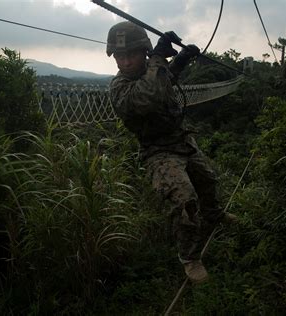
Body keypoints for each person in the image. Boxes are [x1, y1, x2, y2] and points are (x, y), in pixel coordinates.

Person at [107, 21, 236, 284]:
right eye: (120, 56)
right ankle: (190, 258)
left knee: (208, 180)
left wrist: (181, 60)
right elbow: (150, 94)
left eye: (131, 54)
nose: (126, 61)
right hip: (158, 151)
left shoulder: (154, 72)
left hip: (180, 140)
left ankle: (214, 214)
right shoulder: (119, 87)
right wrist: (157, 56)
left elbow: (165, 80)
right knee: (185, 200)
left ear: (142, 52)